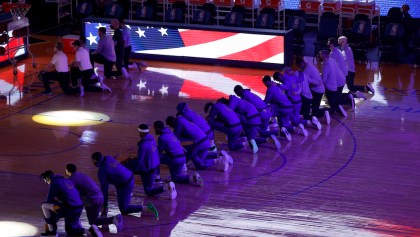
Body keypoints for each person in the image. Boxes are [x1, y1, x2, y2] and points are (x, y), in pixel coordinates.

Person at [91, 152, 159, 218]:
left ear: (96, 161)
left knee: (124, 209)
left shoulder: (102, 171)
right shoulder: (108, 157)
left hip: (125, 185)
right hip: (128, 177)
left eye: (93, 161)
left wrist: (105, 205)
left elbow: (104, 190)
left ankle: (147, 208)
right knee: (122, 204)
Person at [122, 124, 177, 199]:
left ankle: (127, 191)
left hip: (148, 169)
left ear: (141, 132)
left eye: (139, 132)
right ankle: (166, 187)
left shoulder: (143, 145)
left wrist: (132, 165)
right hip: (154, 166)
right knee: (149, 189)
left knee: (126, 169)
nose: (139, 134)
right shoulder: (152, 139)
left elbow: (140, 161)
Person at [65, 164, 122, 235]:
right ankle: (113, 219)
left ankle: (113, 219)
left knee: (92, 221)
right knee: (93, 220)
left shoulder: (71, 179)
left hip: (91, 199)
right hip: (100, 196)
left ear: (67, 171)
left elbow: (70, 194)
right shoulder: (81, 175)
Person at [166, 115, 231, 172]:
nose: (172, 127)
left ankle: (219, 160)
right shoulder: (183, 120)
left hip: (199, 143)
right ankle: (219, 154)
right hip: (205, 140)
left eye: (171, 126)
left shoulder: (178, 124)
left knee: (199, 164)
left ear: (172, 123)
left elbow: (175, 139)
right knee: (198, 157)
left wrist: (183, 161)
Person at [154, 120, 204, 186]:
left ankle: (157, 178)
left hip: (175, 159)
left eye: (155, 128)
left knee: (154, 157)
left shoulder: (162, 138)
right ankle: (193, 178)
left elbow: (158, 151)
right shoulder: (169, 132)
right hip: (182, 157)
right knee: (176, 178)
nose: (154, 130)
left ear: (158, 128)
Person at [39, 170, 85, 236]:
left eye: (46, 181)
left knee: (44, 205)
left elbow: (49, 200)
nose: (47, 183)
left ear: (47, 178)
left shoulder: (54, 183)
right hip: (79, 206)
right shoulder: (66, 180)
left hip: (70, 208)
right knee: (71, 227)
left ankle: (52, 231)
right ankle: (79, 230)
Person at [273, 68, 309, 137]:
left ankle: (298, 128)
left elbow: (286, 87)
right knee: (296, 117)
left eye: (278, 80)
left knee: (291, 119)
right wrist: (301, 72)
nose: (279, 81)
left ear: (279, 77)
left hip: (293, 102)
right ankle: (307, 122)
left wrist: (278, 85)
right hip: (299, 101)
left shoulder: (285, 80)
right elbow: (301, 79)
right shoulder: (293, 78)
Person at [295, 57, 330, 124]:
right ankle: (323, 112)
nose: (300, 67)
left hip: (317, 90)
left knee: (313, 108)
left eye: (299, 65)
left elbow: (305, 82)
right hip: (319, 89)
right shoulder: (309, 66)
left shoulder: (306, 70)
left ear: (302, 63)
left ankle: (324, 112)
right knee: (314, 108)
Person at [261, 75, 293, 142]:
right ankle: (286, 130)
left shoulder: (270, 89)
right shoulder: (277, 86)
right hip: (290, 107)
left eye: (264, 84)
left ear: (266, 82)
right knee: (283, 122)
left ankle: (264, 129)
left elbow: (266, 102)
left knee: (267, 111)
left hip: (283, 108)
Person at [319, 50, 347, 117]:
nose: (319, 56)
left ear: (323, 56)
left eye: (320, 55)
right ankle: (338, 106)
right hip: (335, 84)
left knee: (328, 101)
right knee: (335, 99)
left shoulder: (325, 65)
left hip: (330, 87)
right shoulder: (332, 60)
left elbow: (324, 80)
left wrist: (319, 77)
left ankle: (328, 111)